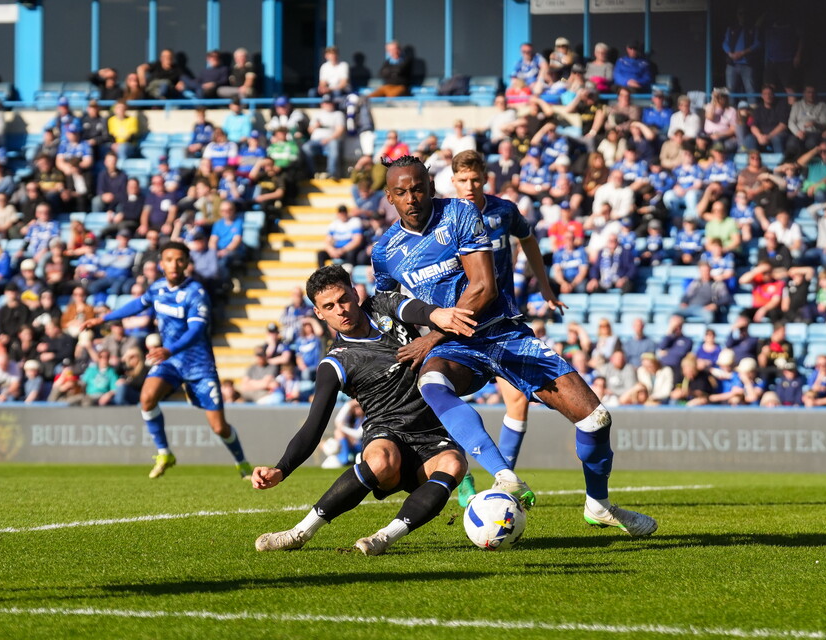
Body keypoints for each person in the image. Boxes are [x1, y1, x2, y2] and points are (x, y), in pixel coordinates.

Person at [372, 156, 657, 535]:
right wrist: (398, 339)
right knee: (431, 382)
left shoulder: (459, 213)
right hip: (456, 348)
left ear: (431, 186)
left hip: (502, 332)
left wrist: (432, 335)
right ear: (389, 197)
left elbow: (484, 288)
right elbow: (384, 301)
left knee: (596, 419)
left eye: (418, 189)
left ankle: (599, 505)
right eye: (402, 192)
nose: (412, 198)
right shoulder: (385, 250)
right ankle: (504, 475)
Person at [251, 265, 475, 556]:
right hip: (387, 433)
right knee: (381, 460)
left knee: (455, 465)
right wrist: (281, 469)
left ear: (355, 294)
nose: (340, 310)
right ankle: (299, 533)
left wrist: (436, 316)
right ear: (319, 313)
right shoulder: (335, 363)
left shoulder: (384, 306)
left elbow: (421, 312)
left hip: (432, 433)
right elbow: (314, 426)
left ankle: (383, 538)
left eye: (343, 299)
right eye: (329, 307)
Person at [80, 241, 252, 480]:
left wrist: (170, 349)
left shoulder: (196, 293)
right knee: (147, 398)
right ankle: (164, 453)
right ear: (161, 263)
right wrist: (104, 319)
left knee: (219, 427)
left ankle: (242, 463)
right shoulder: (157, 288)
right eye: (169, 260)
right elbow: (137, 304)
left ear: (187, 263)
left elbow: (196, 331)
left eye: (180, 260)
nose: (174, 264)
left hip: (198, 364)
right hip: (170, 361)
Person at [447, 150, 562, 504]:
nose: (469, 186)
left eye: (475, 179)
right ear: (453, 181)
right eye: (462, 180)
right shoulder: (445, 217)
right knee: (446, 399)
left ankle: (504, 482)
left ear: (485, 179)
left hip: (501, 322)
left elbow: (528, 239)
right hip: (460, 322)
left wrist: (545, 287)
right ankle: (462, 476)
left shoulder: (504, 211)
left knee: (517, 400)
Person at [305, 94, 346, 179]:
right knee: (306, 147)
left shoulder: (338, 114)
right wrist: (315, 126)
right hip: (315, 141)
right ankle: (312, 174)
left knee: (334, 145)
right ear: (322, 104)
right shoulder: (317, 114)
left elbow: (340, 130)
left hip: (331, 140)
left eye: (330, 102)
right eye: (326, 103)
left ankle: (332, 174)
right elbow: (309, 130)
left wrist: (328, 139)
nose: (328, 104)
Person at [722, 6, 760, 96]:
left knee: (750, 89)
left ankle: (752, 105)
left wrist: (743, 53)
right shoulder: (731, 28)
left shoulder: (753, 28)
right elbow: (725, 43)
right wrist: (730, 54)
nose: (742, 16)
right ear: (737, 15)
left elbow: (758, 43)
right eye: (740, 13)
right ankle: (730, 105)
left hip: (747, 64)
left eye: (745, 13)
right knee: (730, 90)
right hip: (732, 64)